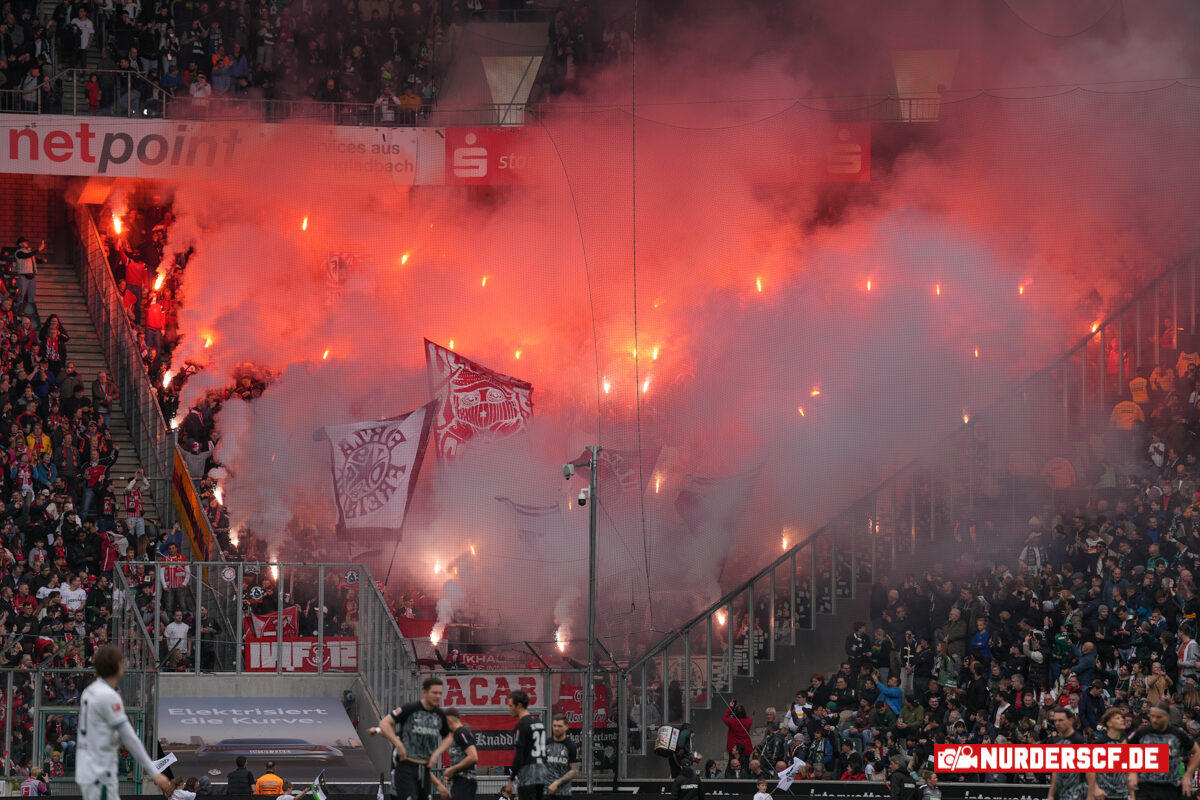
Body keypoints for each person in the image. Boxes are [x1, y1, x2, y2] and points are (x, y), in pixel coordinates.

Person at [76, 644, 173, 800]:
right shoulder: (108, 696)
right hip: (100, 772)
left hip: (87, 769)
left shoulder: (89, 691)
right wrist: (155, 772)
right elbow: (130, 737)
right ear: (118, 666)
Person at [377, 676, 453, 800]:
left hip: (425, 769)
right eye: (434, 692)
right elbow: (384, 723)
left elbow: (448, 737)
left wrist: (437, 753)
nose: (438, 696)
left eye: (440, 693)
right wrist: (398, 743)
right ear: (424, 692)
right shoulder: (410, 709)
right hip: (406, 766)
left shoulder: (439, 715)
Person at [1128, 700, 1200, 800]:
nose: (1154, 720)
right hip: (1146, 787)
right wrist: (1132, 772)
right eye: (1152, 716)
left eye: (1158, 717)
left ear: (1167, 717)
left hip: (1170, 787)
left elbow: (1197, 752)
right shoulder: (1142, 733)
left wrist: (1188, 775)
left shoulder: (1177, 734)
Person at [503, 689, 549, 800]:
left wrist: (511, 780)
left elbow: (519, 755)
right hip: (542, 773)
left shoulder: (522, 725)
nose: (509, 709)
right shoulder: (538, 722)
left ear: (518, 705)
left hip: (528, 774)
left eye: (510, 706)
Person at [1047, 709, 1095, 800]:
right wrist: (1051, 795)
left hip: (1077, 793)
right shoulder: (1057, 742)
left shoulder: (1079, 741)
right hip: (1061, 793)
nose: (1057, 723)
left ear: (1071, 720)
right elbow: (1056, 772)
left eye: (1061, 720)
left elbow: (1090, 771)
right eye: (1055, 720)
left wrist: (1090, 796)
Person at [434, 708, 477, 800]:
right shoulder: (457, 734)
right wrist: (453, 773)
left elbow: (473, 757)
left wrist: (452, 770)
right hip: (460, 781)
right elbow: (462, 758)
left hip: (466, 782)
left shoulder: (461, 733)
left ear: (448, 721)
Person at [1096, 709, 1136, 800]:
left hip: (1122, 794)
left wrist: (1133, 796)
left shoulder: (1125, 743)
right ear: (1109, 723)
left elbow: (1128, 772)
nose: (1122, 720)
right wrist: (1095, 789)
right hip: (1104, 794)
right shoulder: (1099, 744)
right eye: (1117, 718)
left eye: (1122, 717)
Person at [545, 713, 579, 796]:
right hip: (545, 792)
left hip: (563, 793)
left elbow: (574, 771)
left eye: (559, 726)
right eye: (554, 726)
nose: (556, 729)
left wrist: (557, 783)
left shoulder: (571, 746)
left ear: (566, 727)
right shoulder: (545, 743)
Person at [13, 237, 45, 315]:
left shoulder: (29, 252)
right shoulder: (19, 252)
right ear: (20, 244)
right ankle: (19, 311)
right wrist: (38, 249)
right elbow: (27, 255)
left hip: (31, 276)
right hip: (23, 276)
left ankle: (30, 311)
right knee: (21, 295)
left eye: (26, 242)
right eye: (24, 242)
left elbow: (34, 259)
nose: (26, 244)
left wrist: (42, 261)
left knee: (31, 295)